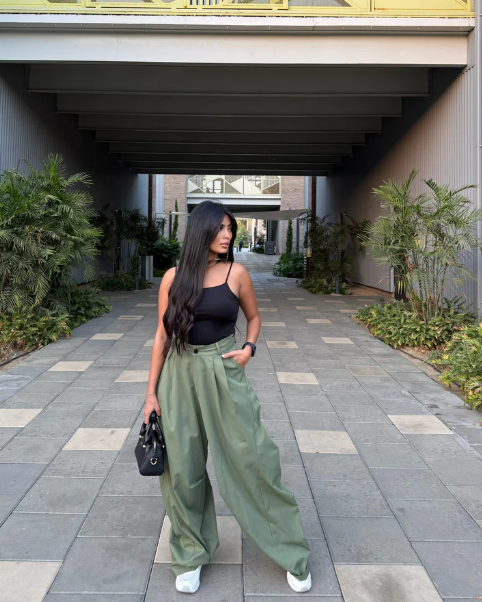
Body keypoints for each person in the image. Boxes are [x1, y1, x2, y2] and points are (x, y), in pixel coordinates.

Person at [144, 200, 312, 595]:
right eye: (220, 228)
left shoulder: (237, 273)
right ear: (200, 231)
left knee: (253, 460)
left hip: (222, 369)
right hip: (178, 374)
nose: (228, 234)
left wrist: (249, 348)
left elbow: (254, 317)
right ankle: (190, 553)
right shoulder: (172, 279)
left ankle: (290, 551)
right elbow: (162, 336)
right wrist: (151, 394)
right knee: (182, 470)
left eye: (230, 228)